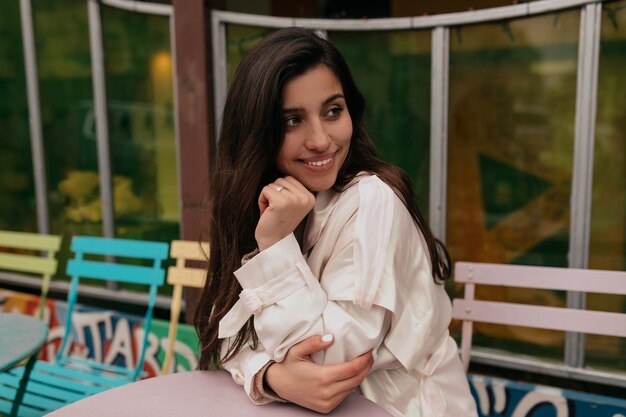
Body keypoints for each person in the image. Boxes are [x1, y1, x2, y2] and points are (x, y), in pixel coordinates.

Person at [194, 27, 478, 417]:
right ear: (258, 132)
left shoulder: (370, 200)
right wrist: (270, 376)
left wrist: (276, 246)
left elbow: (328, 360)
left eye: (332, 111)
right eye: (292, 120)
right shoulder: (276, 204)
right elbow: (226, 332)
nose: (321, 140)